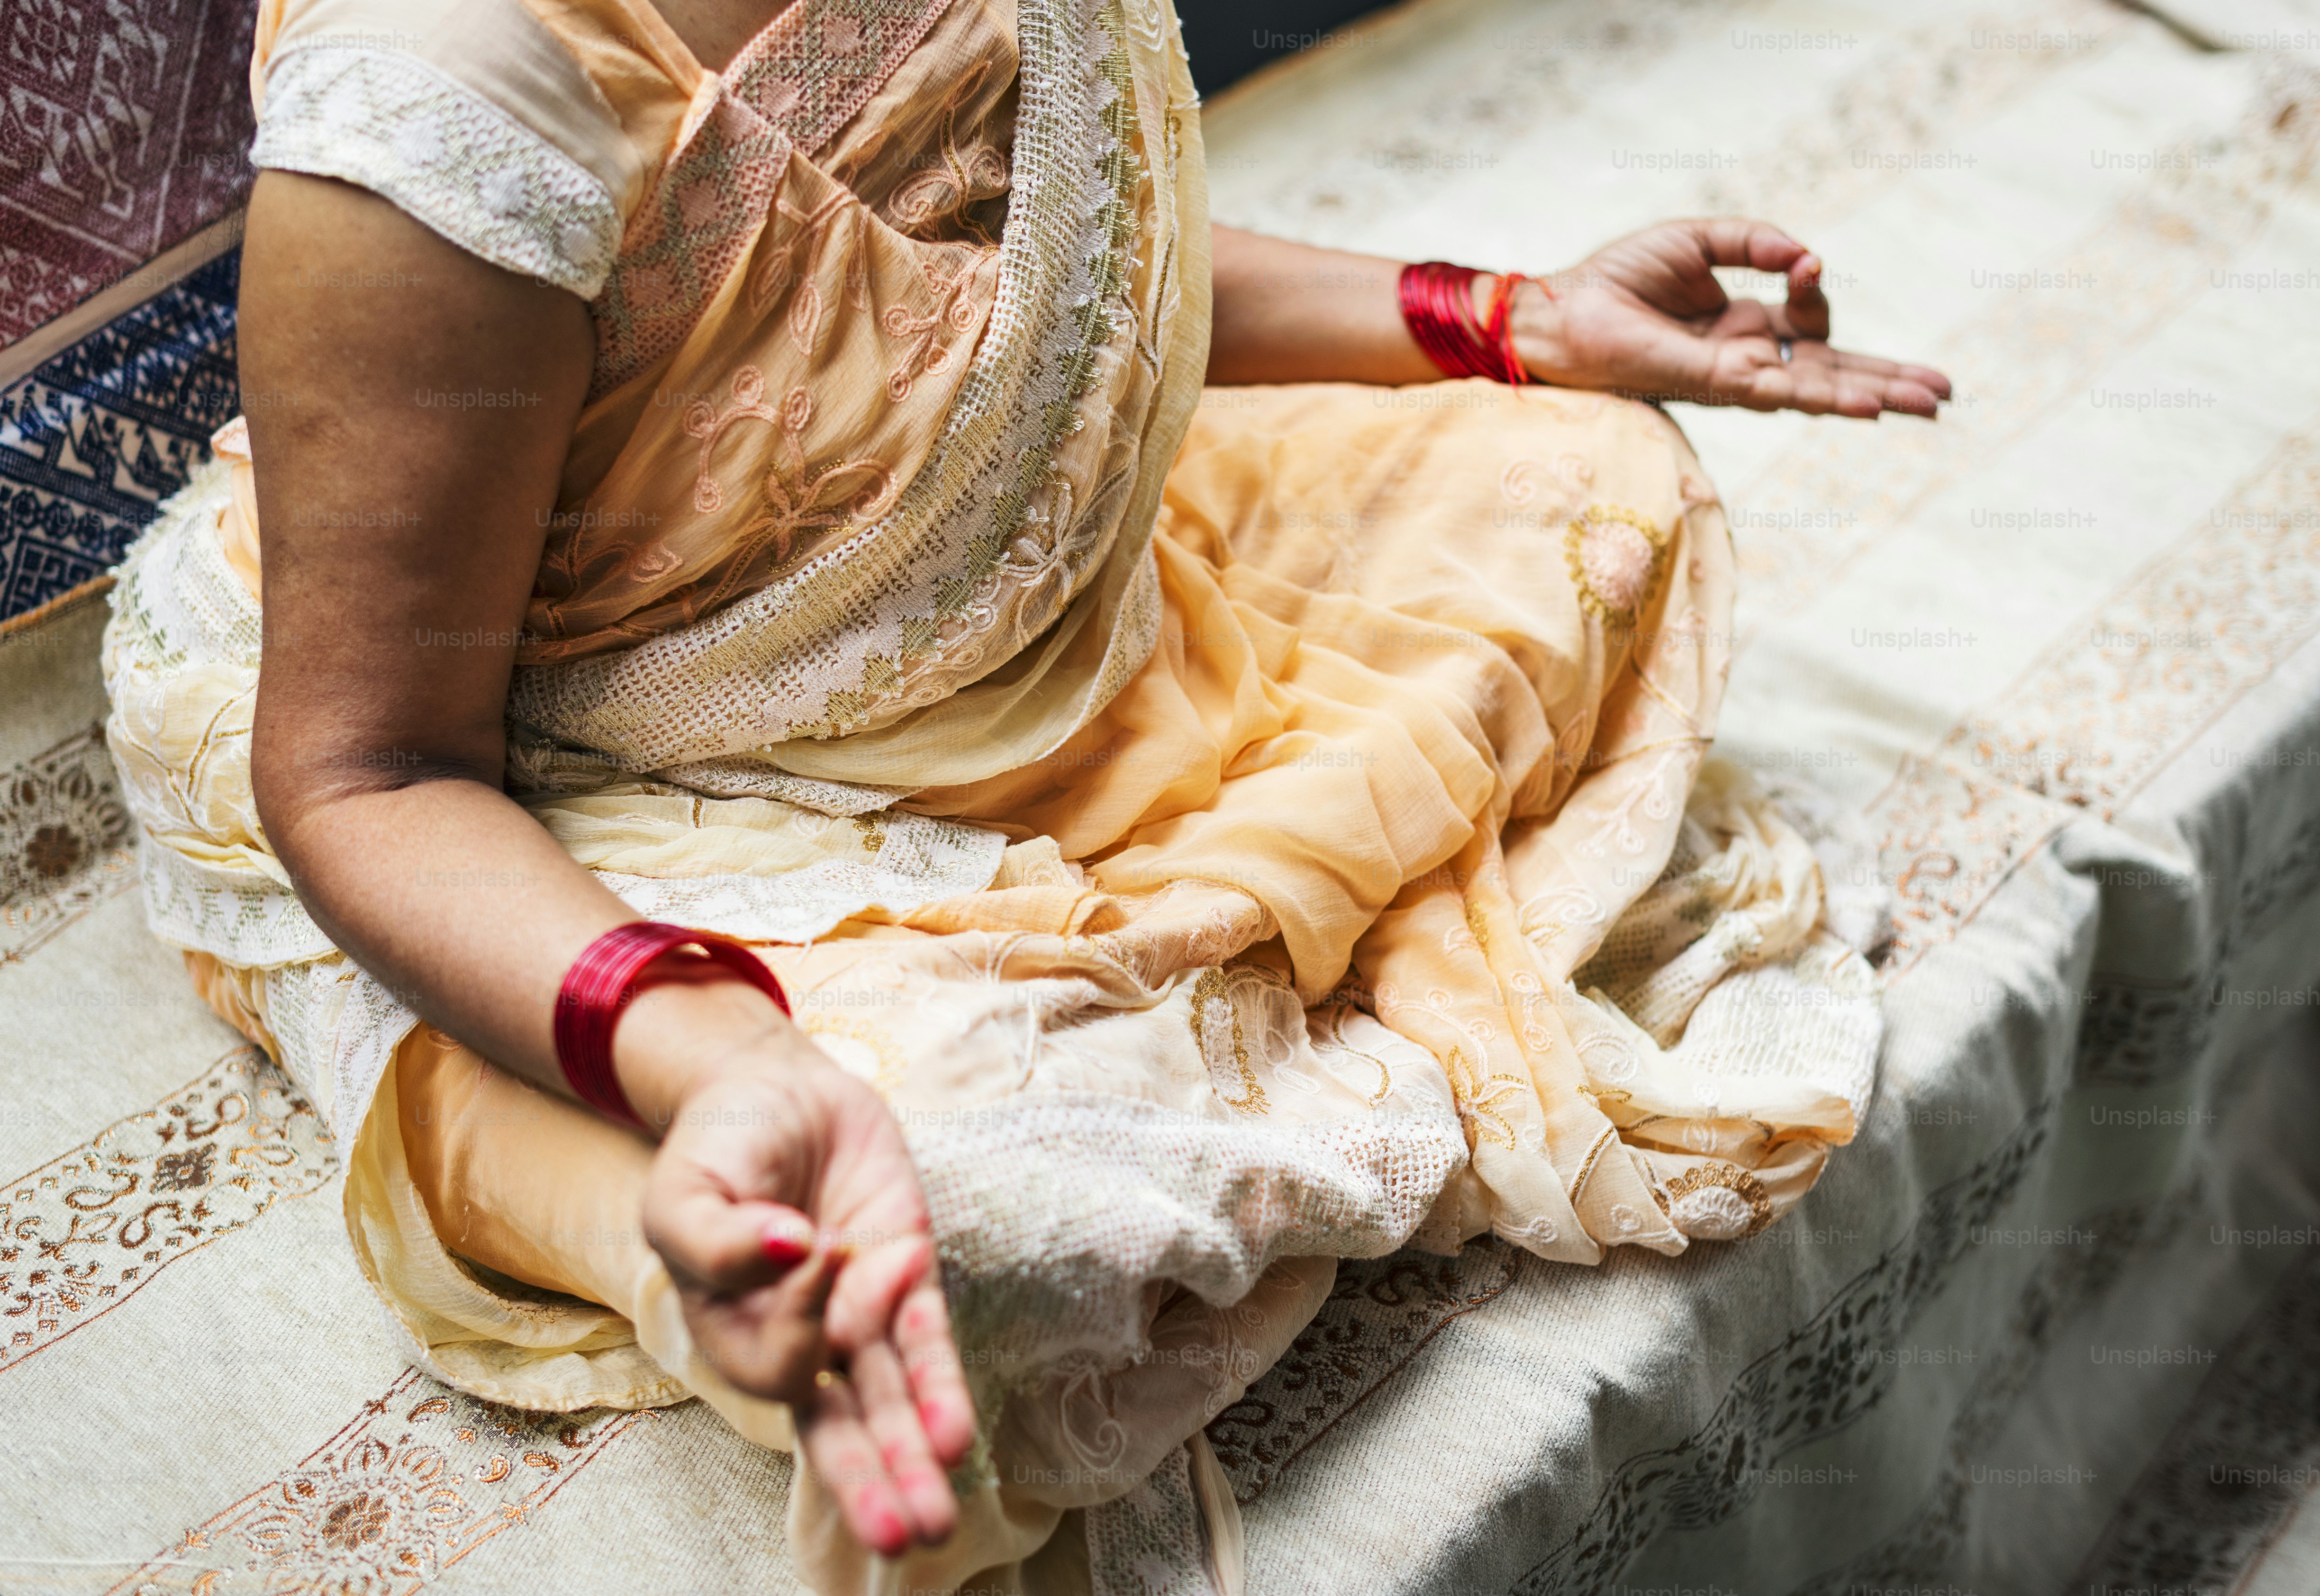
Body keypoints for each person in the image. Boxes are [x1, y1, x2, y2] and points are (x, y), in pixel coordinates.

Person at [103, 0, 1948, 1587]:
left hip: (1044, 644)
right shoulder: (449, 95)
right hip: (593, 781)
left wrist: (1499, 315)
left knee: (1586, 478)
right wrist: (718, 1064)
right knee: (962, 1231)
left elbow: (1032, 290)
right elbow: (367, 770)